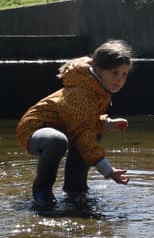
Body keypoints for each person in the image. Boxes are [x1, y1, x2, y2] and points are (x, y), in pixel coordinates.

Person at [16, 40, 133, 209]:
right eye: (115, 73)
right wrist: (109, 171)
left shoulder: (96, 87)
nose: (120, 80)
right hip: (34, 130)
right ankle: (42, 190)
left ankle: (75, 189)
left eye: (124, 74)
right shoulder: (83, 93)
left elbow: (82, 120)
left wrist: (107, 123)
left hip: (63, 128)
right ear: (99, 70)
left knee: (92, 132)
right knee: (59, 141)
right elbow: (83, 133)